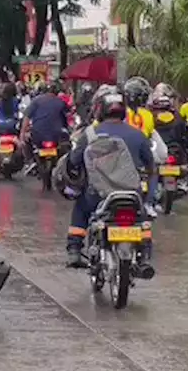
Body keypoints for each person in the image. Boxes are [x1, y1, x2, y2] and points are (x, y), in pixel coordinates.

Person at [64, 86, 155, 276]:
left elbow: (73, 160)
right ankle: (145, 257)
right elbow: (151, 166)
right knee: (142, 217)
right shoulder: (138, 134)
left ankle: (74, 249)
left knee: (80, 207)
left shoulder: (90, 134)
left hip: (98, 194)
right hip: (132, 194)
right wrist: (147, 192)